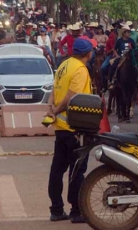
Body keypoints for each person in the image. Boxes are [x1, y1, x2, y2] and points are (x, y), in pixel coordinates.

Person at [46, 39, 93, 223]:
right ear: (88, 53)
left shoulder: (64, 64)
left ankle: (56, 210)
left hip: (61, 128)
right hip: (76, 129)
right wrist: (56, 110)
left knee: (57, 169)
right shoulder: (80, 69)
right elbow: (70, 96)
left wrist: (51, 108)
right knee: (77, 171)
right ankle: (76, 211)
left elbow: (54, 91)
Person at [108, 25, 136, 90]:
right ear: (124, 33)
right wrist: (117, 55)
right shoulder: (119, 41)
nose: (129, 34)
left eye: (129, 32)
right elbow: (114, 49)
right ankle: (112, 81)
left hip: (130, 58)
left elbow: (135, 49)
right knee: (113, 66)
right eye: (128, 32)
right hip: (121, 57)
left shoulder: (131, 41)